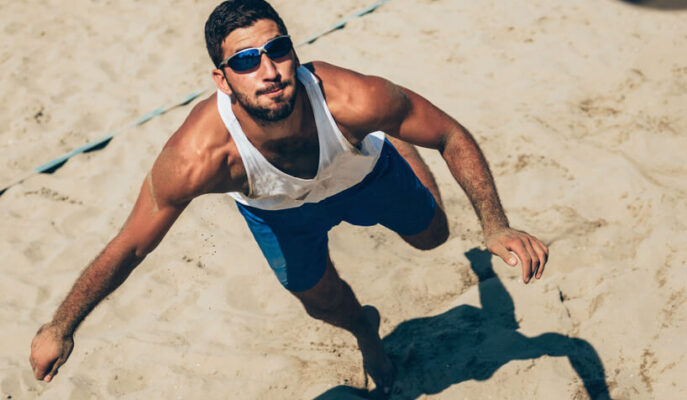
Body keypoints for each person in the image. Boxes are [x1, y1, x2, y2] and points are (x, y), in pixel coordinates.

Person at [29, 0, 549, 393]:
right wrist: (61, 326)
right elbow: (132, 244)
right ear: (222, 78)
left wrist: (495, 224)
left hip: (361, 172)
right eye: (247, 60)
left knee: (434, 237)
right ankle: (367, 331)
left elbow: (451, 135)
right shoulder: (200, 157)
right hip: (277, 211)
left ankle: (397, 147)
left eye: (278, 50)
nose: (269, 70)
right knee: (322, 304)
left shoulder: (353, 99)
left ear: (293, 51)